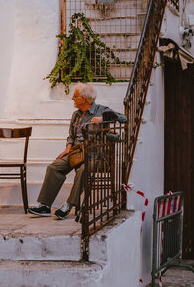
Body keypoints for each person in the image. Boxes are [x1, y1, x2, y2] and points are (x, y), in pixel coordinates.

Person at [28, 82, 127, 220]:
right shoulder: (76, 115)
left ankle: (69, 205)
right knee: (53, 167)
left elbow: (124, 118)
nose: (73, 99)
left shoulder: (101, 110)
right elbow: (71, 136)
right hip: (76, 154)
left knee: (82, 170)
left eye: (75, 96)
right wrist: (68, 148)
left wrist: (102, 119)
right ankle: (45, 206)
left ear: (83, 99)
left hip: (95, 157)